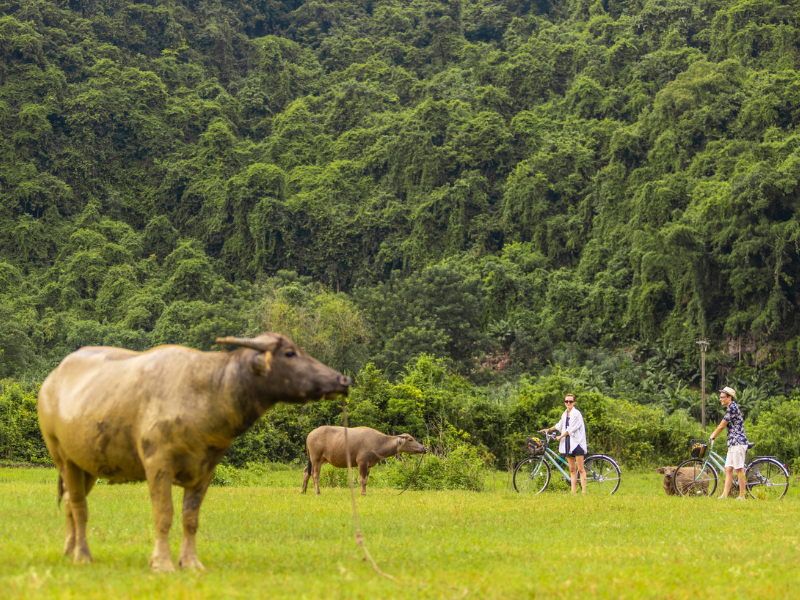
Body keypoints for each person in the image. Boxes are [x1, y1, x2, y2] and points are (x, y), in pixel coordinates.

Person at [541, 393, 587, 494]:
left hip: (577, 443)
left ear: (574, 402)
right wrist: (548, 429)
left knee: (581, 468)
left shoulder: (576, 414)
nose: (568, 403)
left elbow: (571, 429)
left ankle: (584, 491)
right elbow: (559, 425)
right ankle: (573, 492)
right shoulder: (564, 414)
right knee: (572, 469)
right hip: (568, 444)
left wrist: (561, 436)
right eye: (566, 401)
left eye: (570, 401)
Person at [709, 386, 748, 500]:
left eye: (723, 397)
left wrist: (713, 434)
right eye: (720, 397)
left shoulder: (732, 407)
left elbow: (722, 425)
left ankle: (742, 496)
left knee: (739, 469)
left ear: (729, 398)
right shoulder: (730, 407)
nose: (721, 399)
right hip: (732, 443)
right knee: (728, 469)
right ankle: (725, 495)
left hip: (738, 442)